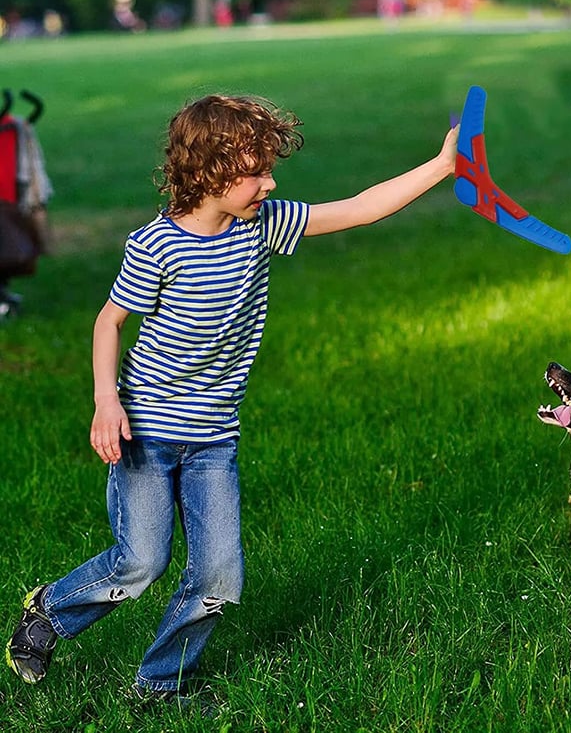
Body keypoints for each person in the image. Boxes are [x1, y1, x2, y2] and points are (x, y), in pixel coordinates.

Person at [6, 93, 459, 704]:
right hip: (146, 431)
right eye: (255, 171)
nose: (270, 182)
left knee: (219, 576)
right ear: (209, 174)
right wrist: (104, 402)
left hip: (214, 437)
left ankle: (159, 682)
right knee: (140, 562)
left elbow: (356, 209)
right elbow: (108, 322)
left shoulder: (262, 224)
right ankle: (46, 614)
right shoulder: (157, 247)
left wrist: (442, 165)